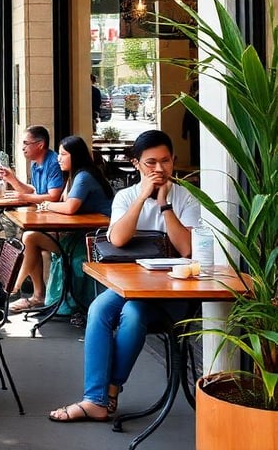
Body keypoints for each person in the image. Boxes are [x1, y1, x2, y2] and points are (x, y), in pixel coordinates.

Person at [49, 130, 199, 423]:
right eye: (150, 162)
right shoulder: (126, 197)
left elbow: (186, 248)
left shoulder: (187, 198)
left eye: (165, 161)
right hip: (131, 286)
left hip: (173, 292)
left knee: (133, 313)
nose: (159, 169)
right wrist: (142, 197)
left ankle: (109, 391)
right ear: (136, 164)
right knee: (99, 308)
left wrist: (164, 205)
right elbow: (117, 239)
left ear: (173, 160)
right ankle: (95, 399)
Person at [9, 135, 114, 312]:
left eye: (63, 154)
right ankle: (29, 292)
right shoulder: (75, 175)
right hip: (80, 234)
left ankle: (16, 287)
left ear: (76, 156)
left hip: (95, 240)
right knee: (30, 237)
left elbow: (70, 207)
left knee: (30, 238)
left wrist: (46, 205)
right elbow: (63, 202)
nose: (58, 158)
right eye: (59, 154)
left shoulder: (84, 176)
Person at [0, 125, 64, 206]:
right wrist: (10, 178)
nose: (23, 148)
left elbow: (53, 197)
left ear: (40, 145)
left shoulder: (54, 163)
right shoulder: (34, 162)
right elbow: (32, 192)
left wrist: (24, 197)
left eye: (26, 143)